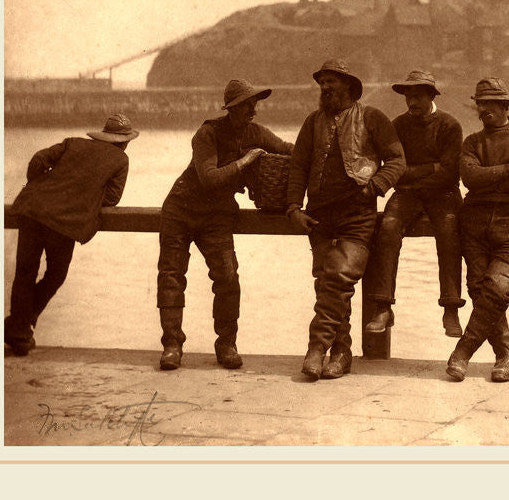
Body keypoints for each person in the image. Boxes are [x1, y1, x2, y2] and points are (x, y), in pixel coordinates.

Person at [156, 80, 293, 371]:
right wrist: (246, 161)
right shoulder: (207, 133)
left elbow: (287, 149)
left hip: (216, 215)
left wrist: (317, 152)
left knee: (228, 278)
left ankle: (227, 344)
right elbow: (209, 177)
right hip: (180, 209)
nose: (253, 111)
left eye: (254, 105)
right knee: (171, 276)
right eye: (246, 106)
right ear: (231, 109)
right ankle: (172, 345)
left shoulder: (257, 133)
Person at [285, 58, 405, 380]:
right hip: (319, 216)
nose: (324, 88)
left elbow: (397, 160)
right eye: (322, 83)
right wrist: (294, 208)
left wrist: (375, 187)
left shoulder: (372, 117)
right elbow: (298, 166)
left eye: (331, 82)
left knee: (338, 277)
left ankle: (316, 349)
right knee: (326, 282)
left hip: (357, 216)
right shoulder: (312, 122)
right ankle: (341, 352)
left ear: (349, 86)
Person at [5, 114, 139, 356]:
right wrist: (83, 197)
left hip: (31, 210)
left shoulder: (72, 143)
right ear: (125, 141)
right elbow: (112, 198)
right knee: (56, 274)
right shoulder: (121, 159)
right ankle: (19, 327)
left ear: (103, 135)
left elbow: (38, 160)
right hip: (64, 222)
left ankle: (18, 329)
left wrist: (42, 187)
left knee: (24, 272)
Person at [446, 77, 509, 383]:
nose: (484, 109)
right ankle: (505, 354)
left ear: (505, 106)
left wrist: (490, 180)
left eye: (490, 103)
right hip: (473, 224)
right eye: (480, 103)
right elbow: (470, 178)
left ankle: (462, 352)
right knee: (478, 289)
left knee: (499, 287)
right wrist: (506, 170)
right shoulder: (472, 142)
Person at [363, 69, 465, 338]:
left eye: (418, 96)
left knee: (449, 231)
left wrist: (412, 174)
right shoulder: (397, 125)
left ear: (431, 96)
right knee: (387, 228)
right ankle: (383, 307)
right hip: (408, 194)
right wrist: (429, 168)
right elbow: (394, 169)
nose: (412, 102)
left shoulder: (450, 125)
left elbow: (449, 173)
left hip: (444, 194)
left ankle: (451, 308)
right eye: (408, 96)